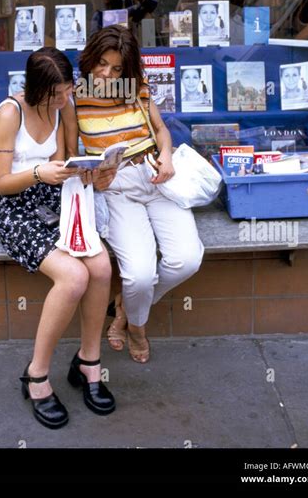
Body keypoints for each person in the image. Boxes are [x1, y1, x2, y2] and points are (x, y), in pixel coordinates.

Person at [0, 47, 115, 429]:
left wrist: (87, 172)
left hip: (53, 195)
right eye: (57, 93)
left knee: (102, 266)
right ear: (37, 88)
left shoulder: (63, 106)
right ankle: (37, 374)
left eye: (68, 91)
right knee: (73, 276)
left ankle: (89, 364)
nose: (65, 99)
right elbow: (2, 182)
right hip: (12, 205)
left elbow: (67, 160)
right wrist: (41, 173)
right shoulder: (10, 113)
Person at [75, 26, 204, 364]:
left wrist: (167, 155)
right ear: (90, 59)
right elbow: (69, 157)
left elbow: (160, 130)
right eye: (101, 64)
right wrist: (91, 178)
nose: (107, 74)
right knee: (139, 276)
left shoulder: (138, 89)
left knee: (187, 259)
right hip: (116, 189)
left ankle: (126, 308)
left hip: (156, 178)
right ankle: (137, 327)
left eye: (117, 68)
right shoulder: (74, 97)